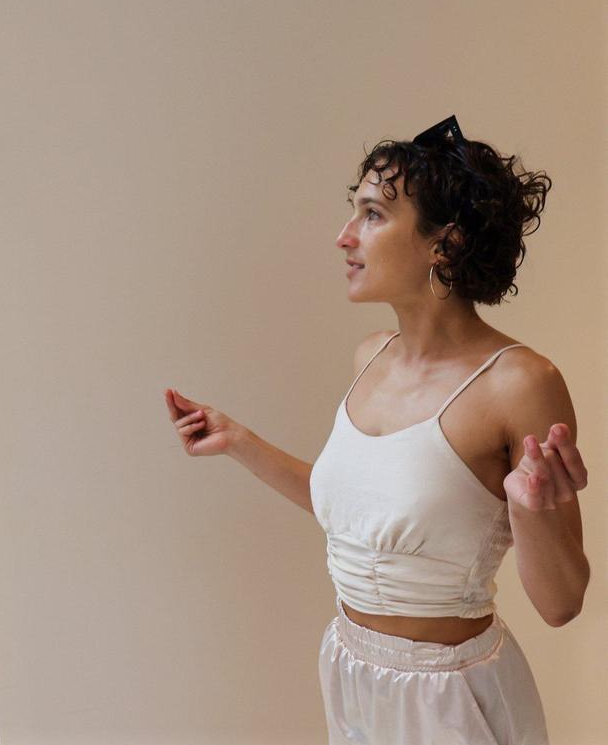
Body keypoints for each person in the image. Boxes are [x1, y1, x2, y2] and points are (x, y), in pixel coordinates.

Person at [165, 117, 589, 745]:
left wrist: (530, 512)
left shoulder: (521, 383)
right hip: (350, 673)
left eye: (371, 215)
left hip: (454, 701)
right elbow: (364, 520)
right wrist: (238, 440)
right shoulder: (369, 357)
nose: (343, 237)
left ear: (443, 244)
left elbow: (561, 604)